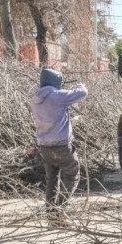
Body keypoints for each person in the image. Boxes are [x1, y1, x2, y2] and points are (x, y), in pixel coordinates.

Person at [31, 68, 88, 221]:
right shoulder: (57, 96)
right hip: (61, 146)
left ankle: (51, 216)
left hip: (44, 147)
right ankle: (60, 209)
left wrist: (70, 121)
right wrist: (81, 85)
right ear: (57, 82)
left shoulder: (36, 99)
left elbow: (51, 119)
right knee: (72, 175)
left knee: (52, 180)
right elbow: (83, 93)